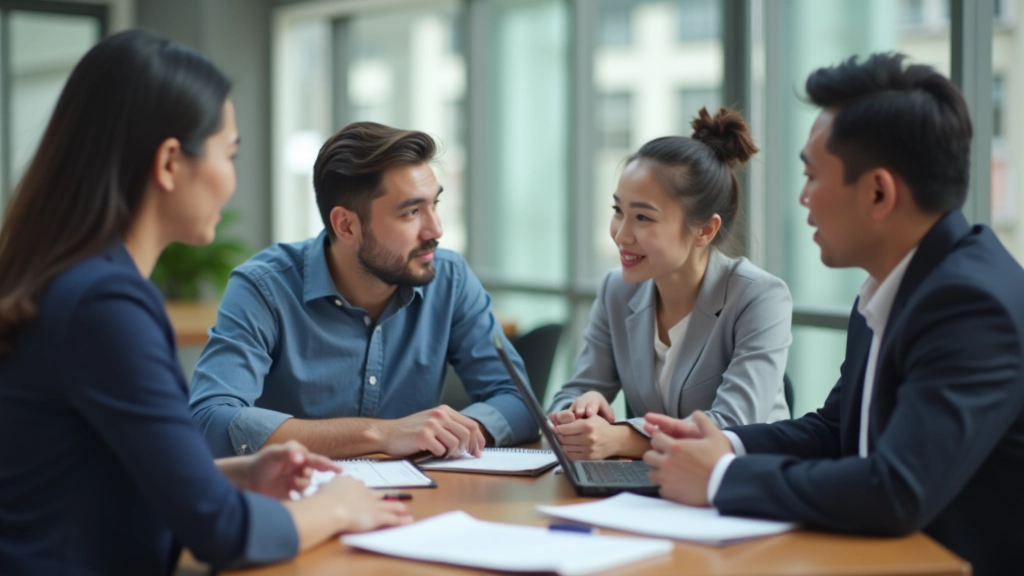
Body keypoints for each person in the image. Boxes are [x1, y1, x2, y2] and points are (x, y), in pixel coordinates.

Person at [0, 30, 410, 576]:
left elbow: (92, 467)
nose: (231, 179)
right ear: (170, 163)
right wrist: (339, 504)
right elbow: (225, 533)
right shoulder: (105, 305)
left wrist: (230, 475)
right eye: (228, 152)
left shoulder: (71, 281)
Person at [642, 53, 1024, 576]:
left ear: (878, 192)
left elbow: (897, 489)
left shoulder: (972, 305)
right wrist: (723, 443)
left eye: (812, 176)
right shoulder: (892, 285)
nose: (802, 199)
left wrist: (721, 478)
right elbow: (837, 428)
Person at [189, 121, 536, 460]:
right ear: (347, 226)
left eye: (435, 204)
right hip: (300, 505)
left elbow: (519, 401)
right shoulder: (265, 288)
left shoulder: (450, 278)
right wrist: (382, 434)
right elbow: (211, 420)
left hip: (420, 502)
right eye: (412, 211)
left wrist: (453, 432)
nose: (436, 229)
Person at [546, 107, 792, 461]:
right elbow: (571, 393)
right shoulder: (617, 290)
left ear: (705, 230)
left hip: (740, 488)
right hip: (653, 488)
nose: (621, 235)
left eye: (643, 217)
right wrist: (580, 410)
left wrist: (623, 439)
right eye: (619, 211)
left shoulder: (758, 297)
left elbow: (733, 425)